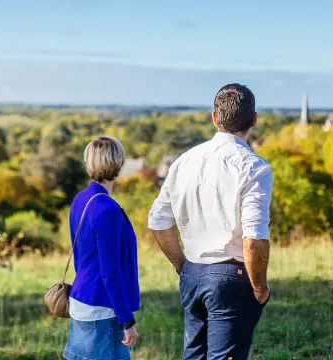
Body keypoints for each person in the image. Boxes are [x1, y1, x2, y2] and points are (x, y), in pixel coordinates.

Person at [148, 84, 272, 360]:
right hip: (231, 277)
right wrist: (260, 287)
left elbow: (158, 220)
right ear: (254, 120)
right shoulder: (254, 166)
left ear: (215, 118)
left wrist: (184, 266)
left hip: (193, 273)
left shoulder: (183, 161)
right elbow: (253, 238)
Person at [63, 136, 140, 360]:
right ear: (118, 162)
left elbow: (80, 257)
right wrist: (126, 320)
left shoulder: (80, 199)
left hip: (81, 300)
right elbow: (110, 271)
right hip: (101, 309)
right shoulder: (107, 209)